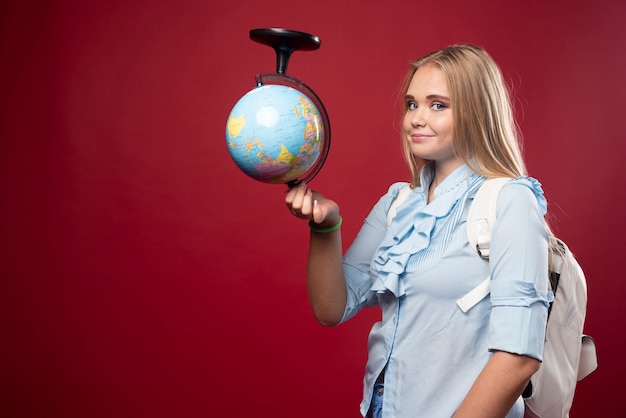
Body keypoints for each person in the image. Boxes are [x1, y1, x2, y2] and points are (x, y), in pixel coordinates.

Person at [285, 44, 553, 418]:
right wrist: (326, 228)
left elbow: (519, 356)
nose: (416, 118)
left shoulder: (510, 200)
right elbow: (333, 308)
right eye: (412, 104)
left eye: (438, 105)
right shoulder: (398, 203)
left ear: (477, 112)